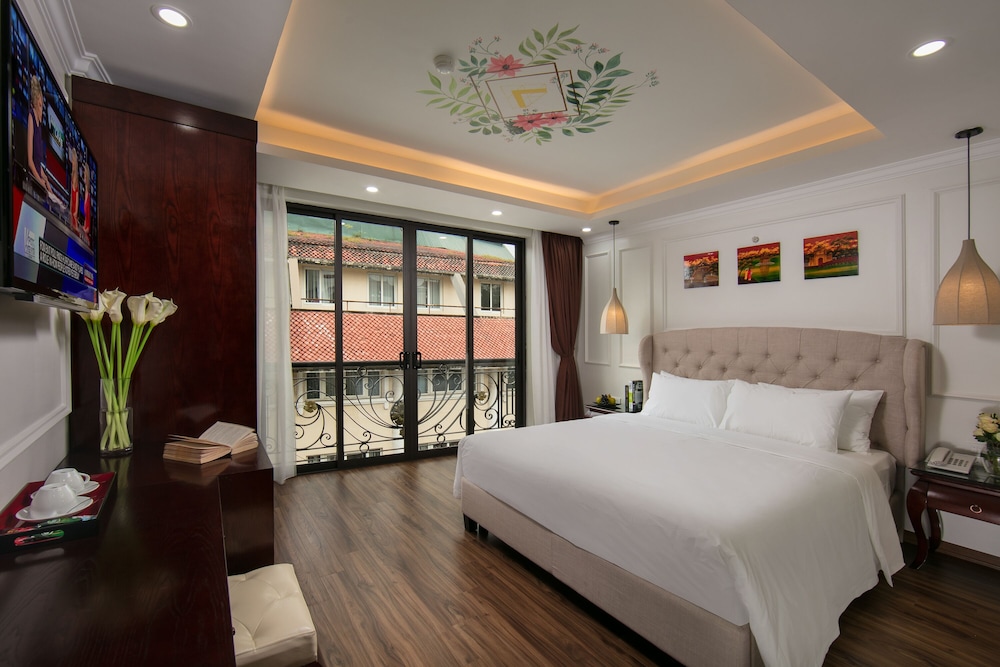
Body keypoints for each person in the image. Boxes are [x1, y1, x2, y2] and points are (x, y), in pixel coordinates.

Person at [26, 75, 50, 197]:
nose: (42, 109)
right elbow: (30, 162)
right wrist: (39, 181)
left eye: (42, 105)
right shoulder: (31, 117)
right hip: (32, 182)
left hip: (38, 180)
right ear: (35, 103)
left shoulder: (39, 126)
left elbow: (37, 162)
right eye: (40, 105)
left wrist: (44, 178)